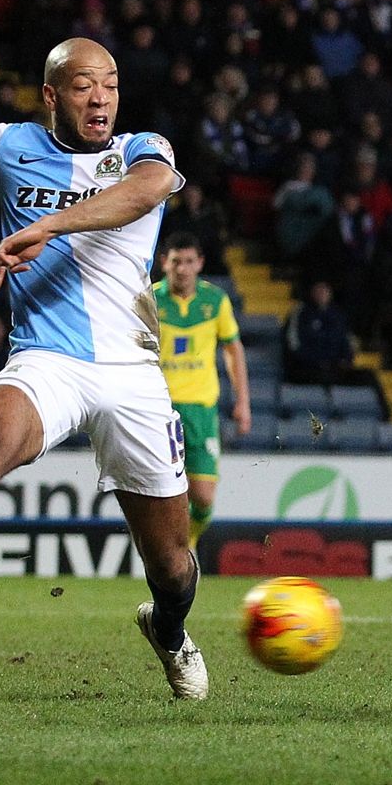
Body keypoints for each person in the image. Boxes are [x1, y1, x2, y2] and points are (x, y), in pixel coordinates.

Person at [0, 38, 208, 700]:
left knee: (170, 564)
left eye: (111, 84)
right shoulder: (8, 144)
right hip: (48, 357)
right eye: (83, 85)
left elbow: (147, 192)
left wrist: (51, 225)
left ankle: (168, 629)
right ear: (51, 94)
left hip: (131, 372)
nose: (101, 98)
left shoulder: (142, 149)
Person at [155, 230, 251, 550]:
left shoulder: (215, 301)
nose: (182, 269)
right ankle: (171, 555)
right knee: (166, 494)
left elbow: (233, 350)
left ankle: (189, 540)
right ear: (163, 263)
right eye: (176, 262)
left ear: (200, 263)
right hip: (160, 410)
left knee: (203, 496)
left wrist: (243, 402)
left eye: (188, 261)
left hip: (201, 409)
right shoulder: (149, 299)